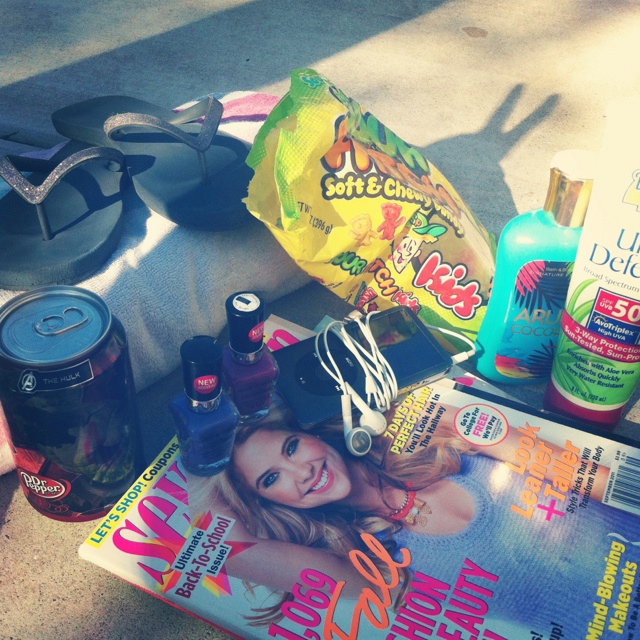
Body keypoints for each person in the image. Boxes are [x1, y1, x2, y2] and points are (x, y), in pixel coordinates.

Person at [187, 390, 640, 636]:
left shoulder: (435, 429)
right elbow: (221, 543)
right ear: (269, 504)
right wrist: (206, 440)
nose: (300, 471)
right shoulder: (368, 565)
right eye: (271, 480)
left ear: (313, 433)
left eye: (291, 446)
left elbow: (594, 478)